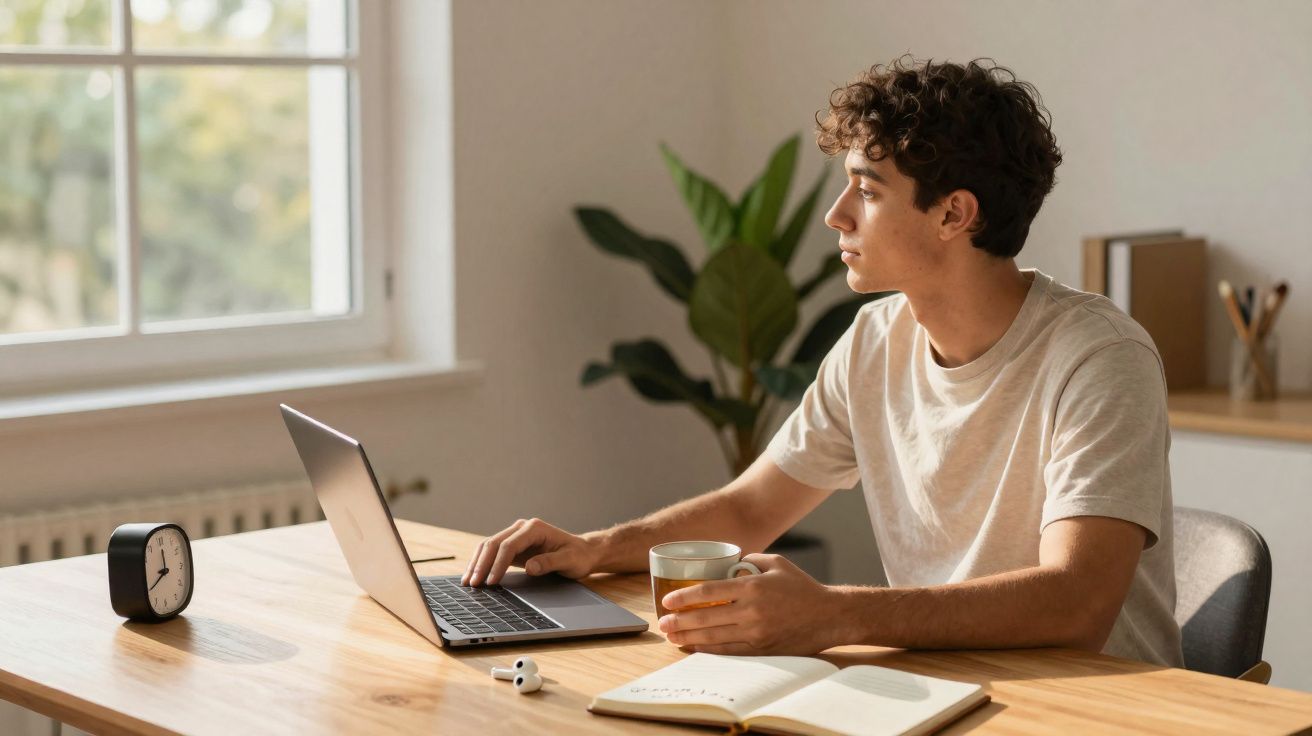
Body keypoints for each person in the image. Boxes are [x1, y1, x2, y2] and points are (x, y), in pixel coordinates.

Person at [462, 56, 1184, 667]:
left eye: (867, 191)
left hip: (1096, 707)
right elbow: (750, 507)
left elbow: (1077, 604)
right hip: (944, 688)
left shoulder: (1097, 358)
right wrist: (594, 548)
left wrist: (834, 615)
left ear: (954, 214)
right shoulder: (875, 341)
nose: (837, 215)